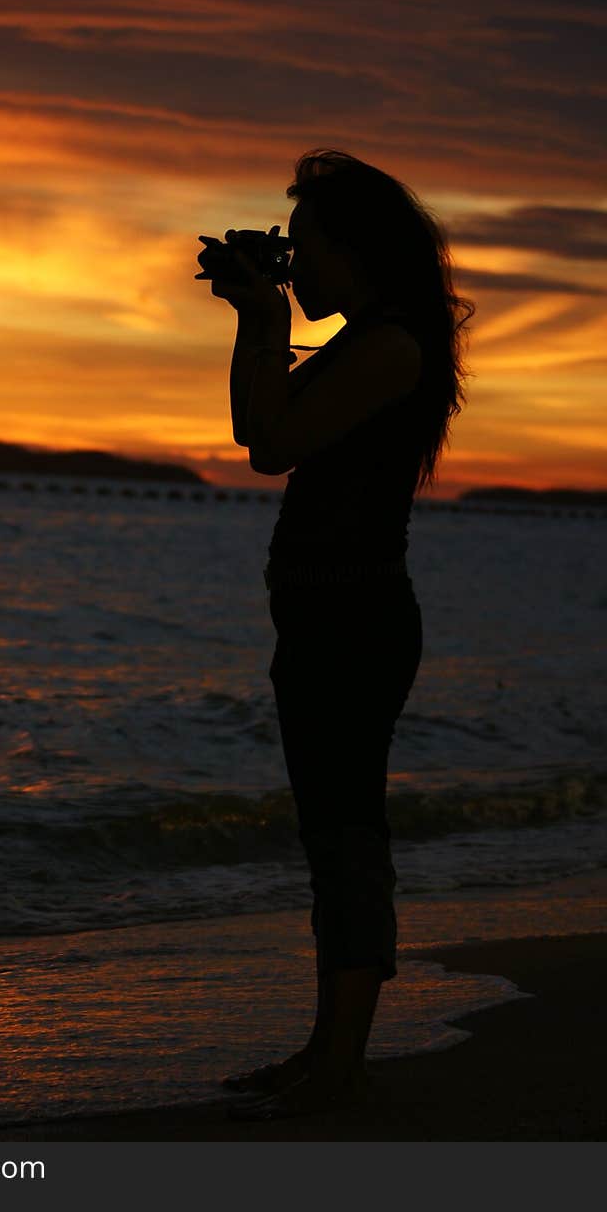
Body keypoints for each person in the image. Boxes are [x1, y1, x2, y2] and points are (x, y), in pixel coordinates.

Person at [207, 148, 475, 1119]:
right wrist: (258, 319)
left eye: (305, 244)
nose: (294, 263)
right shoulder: (371, 338)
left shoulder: (390, 345)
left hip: (353, 619)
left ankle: (343, 1061)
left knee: (346, 832)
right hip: (328, 613)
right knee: (332, 831)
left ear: (353, 248)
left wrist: (267, 318)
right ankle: (327, 1047)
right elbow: (261, 432)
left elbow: (271, 443)